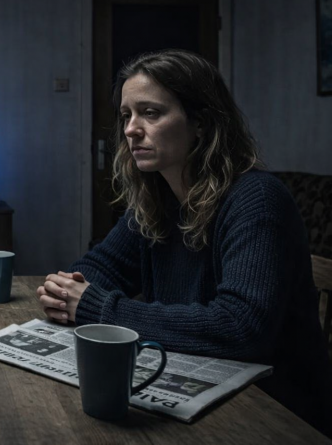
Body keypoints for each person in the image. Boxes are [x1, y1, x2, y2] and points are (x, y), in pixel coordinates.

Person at [37, 49, 332, 437]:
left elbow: (241, 328)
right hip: (195, 386)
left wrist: (97, 307)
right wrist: (67, 292)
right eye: (126, 115)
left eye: (151, 113)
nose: (131, 130)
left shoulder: (257, 199)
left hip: (274, 412)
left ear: (201, 123)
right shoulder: (156, 200)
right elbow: (99, 268)